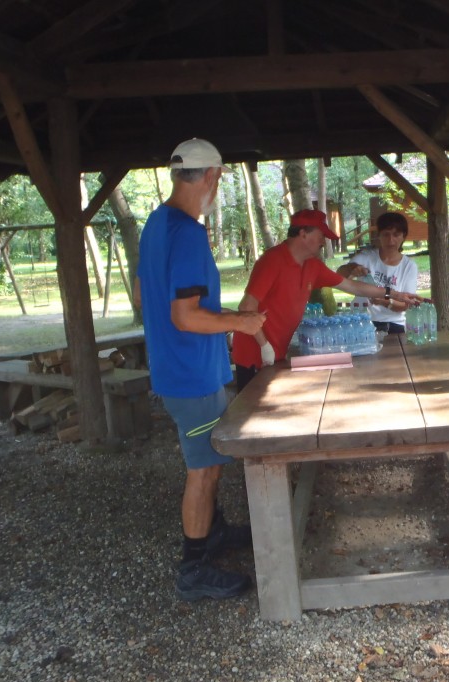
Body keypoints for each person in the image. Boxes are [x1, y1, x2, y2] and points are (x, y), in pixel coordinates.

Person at [137, 138, 268, 601]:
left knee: (208, 461)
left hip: (176, 366)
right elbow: (185, 316)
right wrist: (242, 322)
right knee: (204, 469)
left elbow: (162, 302)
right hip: (192, 374)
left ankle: (215, 531)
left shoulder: (157, 223)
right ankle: (192, 567)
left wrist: (224, 315)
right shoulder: (188, 232)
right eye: (221, 179)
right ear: (211, 176)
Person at [231, 208, 423, 390]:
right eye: (321, 235)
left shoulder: (312, 265)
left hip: (277, 350)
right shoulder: (271, 260)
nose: (323, 241)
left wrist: (393, 293)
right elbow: (247, 305)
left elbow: (353, 286)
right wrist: (264, 345)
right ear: (303, 234)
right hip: (253, 351)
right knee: (252, 409)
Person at [337, 212, 418, 334]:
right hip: (362, 322)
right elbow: (339, 276)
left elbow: (405, 304)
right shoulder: (366, 258)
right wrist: (351, 268)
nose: (391, 240)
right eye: (386, 235)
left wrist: (385, 302)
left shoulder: (409, 266)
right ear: (379, 236)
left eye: (396, 235)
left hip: (393, 324)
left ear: (403, 236)